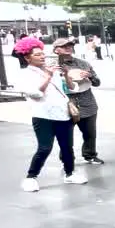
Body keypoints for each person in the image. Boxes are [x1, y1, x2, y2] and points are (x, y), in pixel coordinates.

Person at [14, 38, 88, 191]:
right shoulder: (25, 74)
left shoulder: (51, 70)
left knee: (67, 147)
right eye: (37, 55)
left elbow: (71, 88)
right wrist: (47, 76)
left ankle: (70, 173)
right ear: (27, 58)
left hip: (63, 114)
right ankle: (31, 177)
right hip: (43, 116)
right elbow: (35, 94)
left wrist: (66, 75)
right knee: (45, 147)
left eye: (42, 54)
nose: (42, 57)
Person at [52, 38, 104, 165]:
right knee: (65, 134)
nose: (68, 47)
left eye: (70, 45)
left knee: (90, 132)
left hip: (87, 101)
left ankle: (90, 154)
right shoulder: (52, 66)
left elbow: (97, 82)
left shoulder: (83, 63)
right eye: (64, 46)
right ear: (56, 50)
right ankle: (66, 158)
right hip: (66, 103)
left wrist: (90, 76)